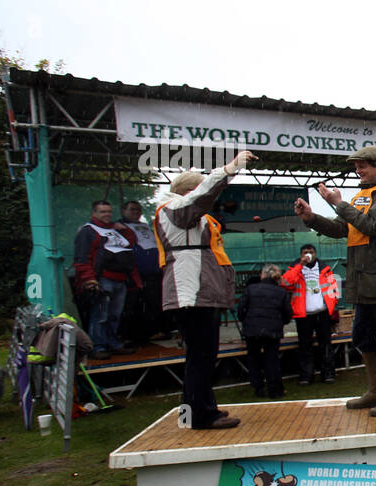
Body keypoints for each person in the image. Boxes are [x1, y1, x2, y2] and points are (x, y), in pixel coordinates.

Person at [295, 146, 376, 416]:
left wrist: (337, 202)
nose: (358, 170)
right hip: (364, 282)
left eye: (363, 166)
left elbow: (370, 225)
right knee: (362, 335)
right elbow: (340, 228)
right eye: (356, 166)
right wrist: (311, 217)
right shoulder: (360, 196)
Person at [154, 151, 257, 429]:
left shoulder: (186, 216)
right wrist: (230, 169)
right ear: (188, 192)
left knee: (200, 356)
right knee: (201, 356)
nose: (209, 197)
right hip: (192, 295)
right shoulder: (174, 211)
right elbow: (202, 196)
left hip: (199, 294)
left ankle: (194, 412)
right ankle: (201, 415)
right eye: (199, 189)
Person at [73, 200, 139, 359]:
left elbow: (131, 242)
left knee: (115, 314)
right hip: (103, 279)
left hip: (120, 279)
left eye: (109, 211)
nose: (107, 215)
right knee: (101, 314)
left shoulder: (113, 229)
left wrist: (124, 229)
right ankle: (98, 346)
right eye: (103, 212)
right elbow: (82, 258)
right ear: (94, 213)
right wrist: (89, 279)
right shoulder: (88, 231)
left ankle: (112, 342)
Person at [282, 244, 339, 385]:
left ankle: (328, 373)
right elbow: (286, 283)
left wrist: (332, 304)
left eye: (311, 252)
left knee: (325, 344)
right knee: (305, 345)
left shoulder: (325, 268)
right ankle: (306, 375)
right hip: (304, 314)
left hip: (322, 312)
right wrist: (300, 265)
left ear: (315, 253)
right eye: (305, 252)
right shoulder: (294, 268)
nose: (308, 254)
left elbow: (334, 289)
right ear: (301, 254)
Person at [237, 263, 293, 398]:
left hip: (252, 330)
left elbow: (241, 310)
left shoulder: (251, 289)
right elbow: (288, 314)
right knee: (272, 360)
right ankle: (275, 390)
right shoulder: (281, 292)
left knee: (253, 359)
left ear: (263, 275)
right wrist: (280, 322)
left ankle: (258, 388)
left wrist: (247, 321)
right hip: (272, 330)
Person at [119, 200, 166, 343]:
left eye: (138, 210)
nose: (135, 212)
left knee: (155, 301)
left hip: (154, 268)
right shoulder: (120, 227)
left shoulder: (146, 226)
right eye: (132, 209)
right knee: (138, 303)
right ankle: (137, 334)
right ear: (123, 211)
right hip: (138, 271)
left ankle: (156, 330)